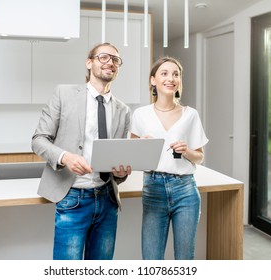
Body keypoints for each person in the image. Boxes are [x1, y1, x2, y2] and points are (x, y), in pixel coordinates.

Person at [32, 42, 132, 260]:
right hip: (72, 197)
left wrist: (121, 173)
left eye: (116, 60)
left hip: (107, 200)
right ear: (89, 63)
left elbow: (119, 157)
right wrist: (65, 157)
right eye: (104, 57)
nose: (111, 63)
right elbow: (39, 140)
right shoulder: (63, 94)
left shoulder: (124, 110)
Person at [130, 56, 208, 260]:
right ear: (153, 80)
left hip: (186, 191)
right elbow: (130, 157)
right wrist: (141, 148)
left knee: (184, 259)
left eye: (176, 74)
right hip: (153, 189)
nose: (171, 78)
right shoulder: (141, 114)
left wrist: (187, 151)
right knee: (151, 259)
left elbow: (199, 157)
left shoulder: (190, 115)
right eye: (164, 73)